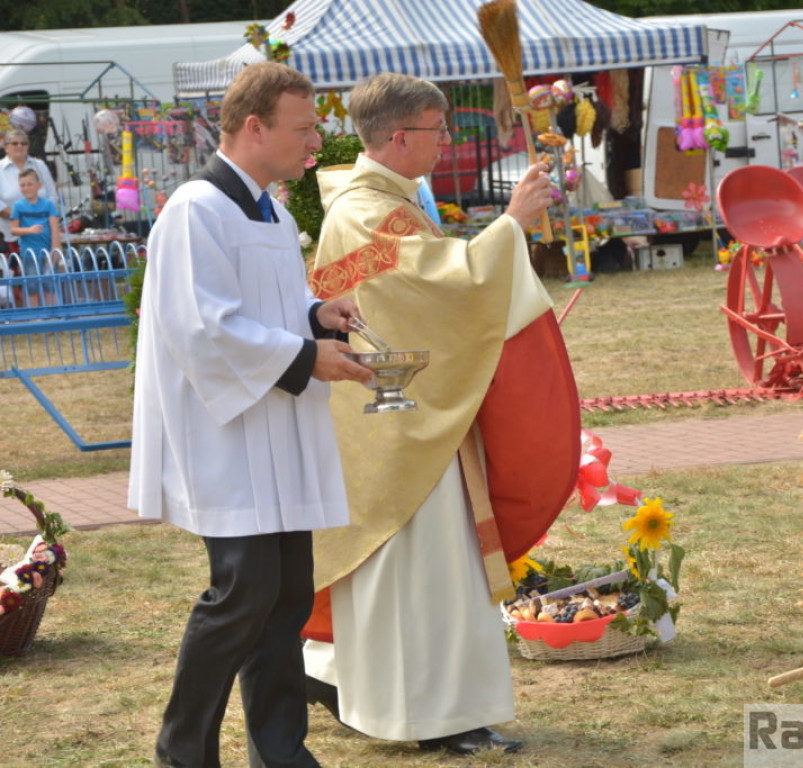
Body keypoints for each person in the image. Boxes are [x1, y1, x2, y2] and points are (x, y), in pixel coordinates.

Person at [302, 72, 580, 757]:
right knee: (427, 574)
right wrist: (511, 225)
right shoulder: (364, 210)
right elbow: (433, 287)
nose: (448, 140)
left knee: (419, 573)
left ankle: (373, 690)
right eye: (439, 129)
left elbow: (430, 279)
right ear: (399, 136)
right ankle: (437, 715)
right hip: (399, 424)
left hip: (409, 417)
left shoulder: (380, 201)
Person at [127, 61, 373, 768]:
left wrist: (313, 314)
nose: (313, 144)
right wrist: (305, 358)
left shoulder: (263, 207)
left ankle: (281, 751)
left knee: (287, 592)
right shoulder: (197, 210)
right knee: (243, 592)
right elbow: (203, 326)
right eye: (302, 130)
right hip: (227, 433)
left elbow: (261, 305)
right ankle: (183, 750)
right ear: (255, 126)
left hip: (274, 426)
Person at [0, 128, 58, 253]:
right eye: (15, 143)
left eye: (23, 143)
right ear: (6, 147)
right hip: (9, 237)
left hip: (42, 235)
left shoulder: (40, 166)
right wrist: (26, 218)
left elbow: (52, 195)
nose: (19, 146)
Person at [10, 168, 60, 307]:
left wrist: (55, 249)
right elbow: (13, 230)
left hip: (48, 252)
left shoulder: (48, 205)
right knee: (31, 286)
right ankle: (34, 316)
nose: (26, 188)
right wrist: (28, 230)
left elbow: (55, 228)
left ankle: (53, 314)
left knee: (50, 284)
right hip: (29, 254)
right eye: (22, 185)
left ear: (39, 185)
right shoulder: (18, 206)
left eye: (29, 184)